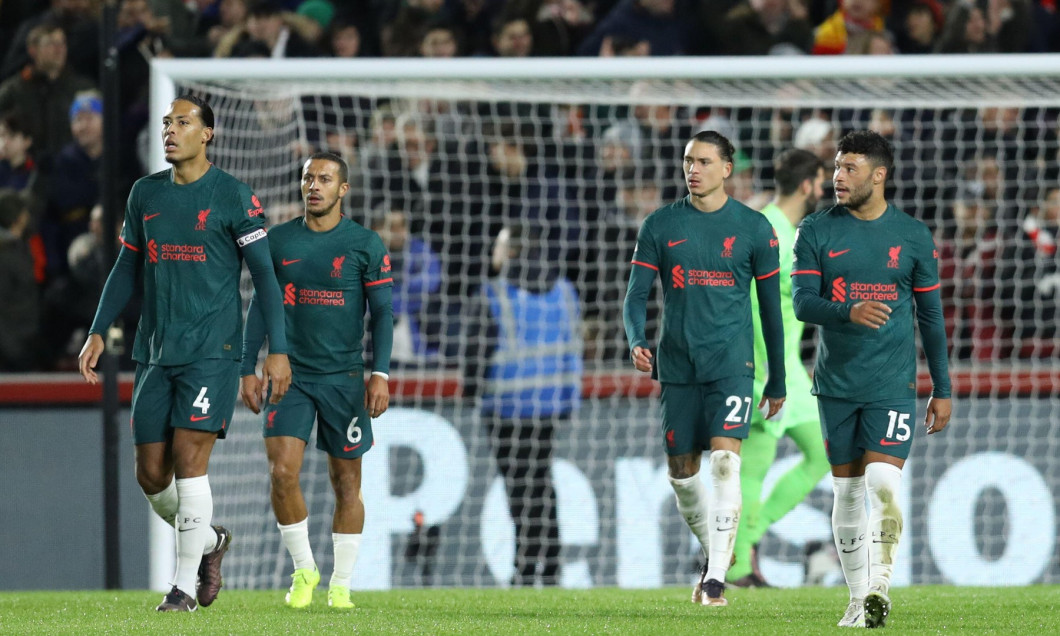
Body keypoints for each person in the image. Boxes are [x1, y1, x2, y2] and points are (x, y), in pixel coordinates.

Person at [77, 94, 292, 612]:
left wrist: (274, 351)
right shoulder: (144, 194)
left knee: (189, 461)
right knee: (151, 474)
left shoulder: (234, 196)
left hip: (211, 351)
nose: (171, 130)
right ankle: (212, 542)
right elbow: (126, 266)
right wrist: (98, 328)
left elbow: (265, 275)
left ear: (208, 135)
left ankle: (180, 589)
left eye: (183, 122)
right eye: (167, 122)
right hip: (154, 350)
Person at [791, 130, 952, 628]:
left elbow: (931, 317)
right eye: (837, 167)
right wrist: (848, 310)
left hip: (892, 383)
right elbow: (801, 303)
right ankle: (858, 598)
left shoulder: (912, 236)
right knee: (846, 494)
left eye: (850, 168)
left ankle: (880, 586)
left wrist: (941, 388)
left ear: (879, 175)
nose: (838, 176)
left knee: (883, 481)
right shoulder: (815, 231)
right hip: (836, 384)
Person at [623, 130, 787, 607]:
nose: (694, 169)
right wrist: (636, 340)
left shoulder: (755, 229)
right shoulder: (660, 225)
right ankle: (717, 550)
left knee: (724, 461)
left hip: (732, 364)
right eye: (688, 161)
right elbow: (635, 297)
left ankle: (715, 579)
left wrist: (776, 377)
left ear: (727, 169)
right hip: (677, 366)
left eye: (705, 161)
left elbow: (771, 312)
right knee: (681, 474)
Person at [240, 152, 394, 609]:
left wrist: (379, 373)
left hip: (345, 380)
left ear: (342, 190)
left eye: (324, 179)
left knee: (346, 485)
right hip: (291, 377)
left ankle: (341, 584)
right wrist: (249, 364)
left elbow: (382, 313)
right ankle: (304, 569)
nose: (314, 185)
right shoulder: (277, 240)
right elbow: (260, 306)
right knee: (282, 472)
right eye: (308, 177)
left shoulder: (365, 244)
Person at [727, 148, 831, 588]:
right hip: (767, 368)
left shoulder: (786, 229)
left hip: (787, 364)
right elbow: (752, 304)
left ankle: (747, 538)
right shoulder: (771, 231)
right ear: (808, 185)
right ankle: (738, 567)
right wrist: (768, 371)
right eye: (821, 182)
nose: (824, 189)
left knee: (824, 453)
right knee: (754, 465)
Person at [463, 222, 583, 587]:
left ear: (512, 251)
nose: (493, 253)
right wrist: (568, 401)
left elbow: (477, 353)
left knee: (519, 490)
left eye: (499, 245)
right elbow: (573, 350)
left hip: (505, 407)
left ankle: (525, 567)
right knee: (542, 486)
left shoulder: (494, 294)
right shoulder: (564, 292)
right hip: (549, 406)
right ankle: (550, 566)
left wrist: (471, 393)